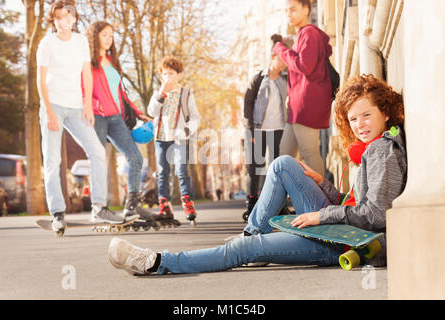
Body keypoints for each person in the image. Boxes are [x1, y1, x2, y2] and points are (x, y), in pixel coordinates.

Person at [107, 74, 407, 275]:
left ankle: (156, 262)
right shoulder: (373, 147)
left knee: (241, 250)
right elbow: (356, 204)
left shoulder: (382, 151)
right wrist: (323, 184)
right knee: (283, 164)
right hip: (340, 229)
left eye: (367, 115)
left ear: (385, 111)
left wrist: (321, 216)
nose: (359, 125)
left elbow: (376, 215)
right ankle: (253, 234)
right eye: (353, 119)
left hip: (345, 242)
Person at [36, 0, 127, 234]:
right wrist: (47, 110)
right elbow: (40, 79)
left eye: (67, 17)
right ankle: (57, 212)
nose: (62, 22)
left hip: (77, 107)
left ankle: (99, 206)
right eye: (57, 18)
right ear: (53, 20)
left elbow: (86, 72)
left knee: (97, 151)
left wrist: (87, 105)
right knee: (52, 160)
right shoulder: (46, 44)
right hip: (53, 106)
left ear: (74, 18)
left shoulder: (80, 42)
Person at [85, 21, 152, 219]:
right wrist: (94, 107)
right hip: (97, 116)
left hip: (116, 117)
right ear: (94, 36)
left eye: (111, 35)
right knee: (98, 160)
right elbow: (85, 89)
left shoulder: (112, 61)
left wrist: (137, 111)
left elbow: (120, 92)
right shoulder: (87, 61)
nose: (109, 39)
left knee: (135, 157)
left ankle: (132, 204)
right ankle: (98, 208)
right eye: (104, 35)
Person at [273, 0, 333, 176]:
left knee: (309, 153)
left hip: (306, 104)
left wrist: (281, 50)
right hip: (297, 106)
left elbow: (304, 66)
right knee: (284, 155)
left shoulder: (309, 33)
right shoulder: (301, 35)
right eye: (286, 11)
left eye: (293, 10)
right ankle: (279, 201)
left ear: (306, 9)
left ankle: (320, 201)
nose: (289, 14)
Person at [147, 56, 201, 224]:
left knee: (181, 171)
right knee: (162, 173)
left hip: (179, 139)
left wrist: (186, 131)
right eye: (164, 74)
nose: (167, 77)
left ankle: (187, 203)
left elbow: (195, 117)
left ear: (179, 75)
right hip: (161, 138)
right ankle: (164, 204)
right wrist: (161, 93)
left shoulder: (185, 93)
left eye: (171, 74)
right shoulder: (158, 93)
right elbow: (151, 112)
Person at [243, 34, 289, 218]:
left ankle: (279, 205)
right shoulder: (258, 79)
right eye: (282, 59)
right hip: (258, 129)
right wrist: (250, 130)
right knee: (255, 167)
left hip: (280, 129)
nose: (285, 63)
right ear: (272, 57)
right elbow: (247, 104)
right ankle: (252, 204)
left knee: (277, 167)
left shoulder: (286, 79)